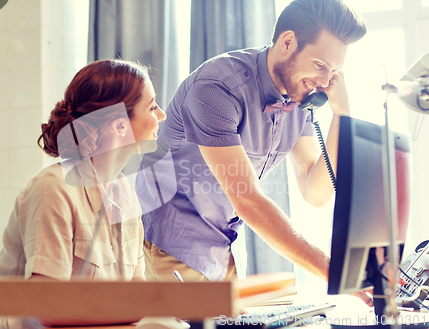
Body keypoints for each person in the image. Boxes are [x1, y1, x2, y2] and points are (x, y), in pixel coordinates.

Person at [136, 0, 367, 283]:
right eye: (319, 65)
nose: (324, 80)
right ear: (288, 41)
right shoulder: (218, 86)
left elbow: (315, 192)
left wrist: (341, 116)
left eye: (333, 71)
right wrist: (331, 270)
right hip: (173, 246)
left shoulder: (299, 96)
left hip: (226, 249)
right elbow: (247, 198)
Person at [0, 59, 166, 329]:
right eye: (152, 106)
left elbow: (136, 290)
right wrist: (144, 311)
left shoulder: (125, 192)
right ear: (120, 126)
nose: (161, 115)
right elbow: (50, 312)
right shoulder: (52, 188)